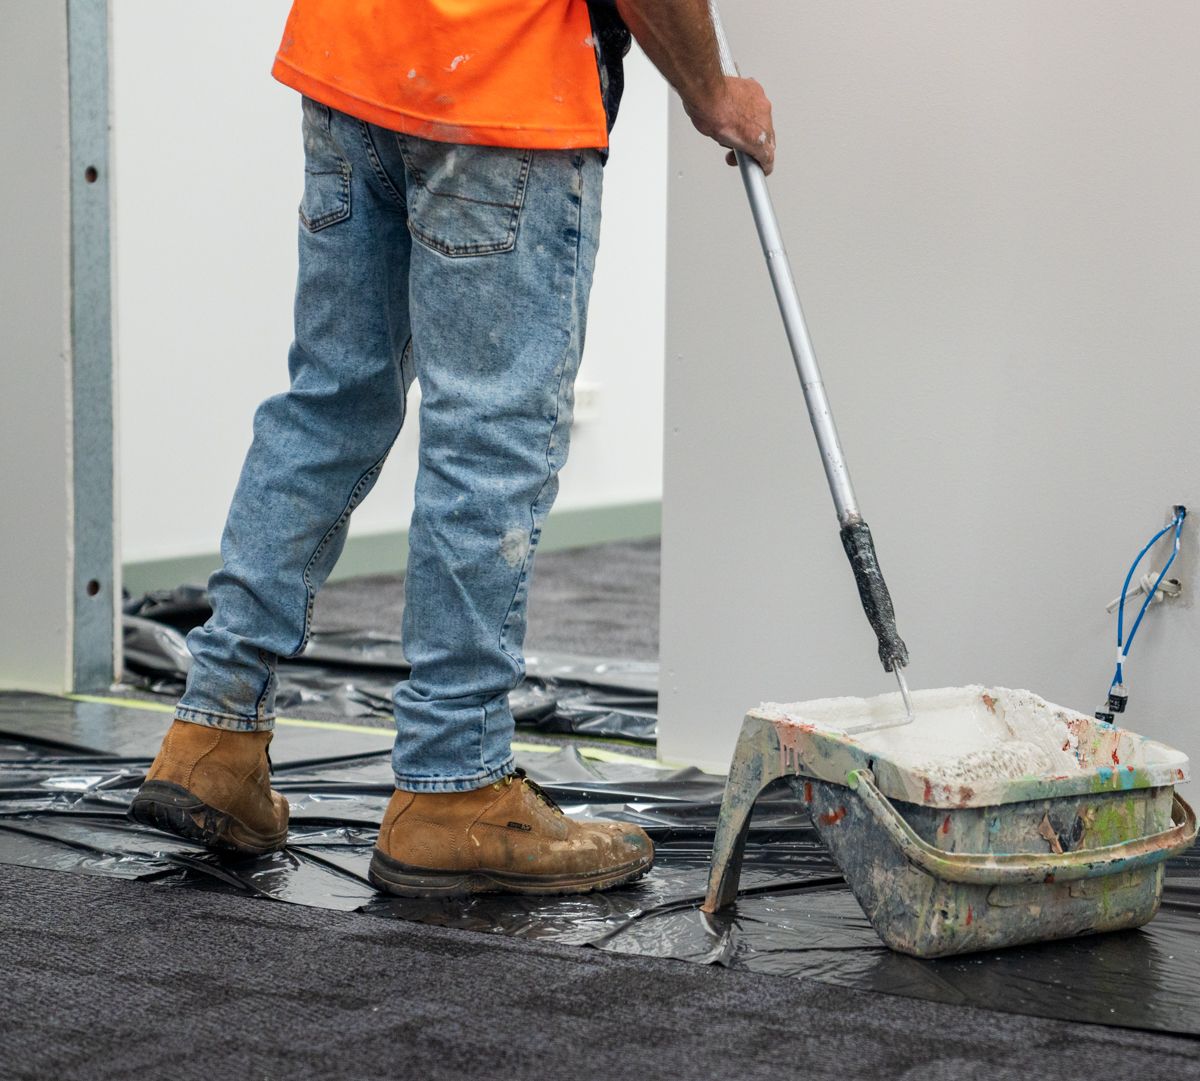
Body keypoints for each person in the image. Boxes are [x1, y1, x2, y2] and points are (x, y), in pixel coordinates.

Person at [128, 0, 774, 898]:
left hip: (354, 53)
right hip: (504, 83)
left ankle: (212, 736)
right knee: (489, 439)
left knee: (330, 400)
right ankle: (453, 786)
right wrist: (712, 92)